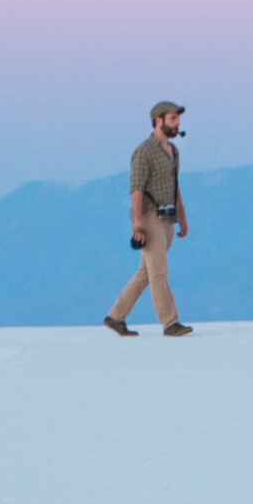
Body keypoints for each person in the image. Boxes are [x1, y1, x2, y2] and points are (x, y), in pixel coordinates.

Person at [104, 101, 192, 337]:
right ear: (158, 120)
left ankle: (115, 317)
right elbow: (137, 189)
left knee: (146, 273)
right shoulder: (144, 152)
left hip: (167, 218)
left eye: (177, 119)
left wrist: (182, 218)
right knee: (159, 273)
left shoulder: (173, 151)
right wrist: (139, 223)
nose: (177, 123)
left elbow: (176, 186)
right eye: (173, 119)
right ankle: (170, 322)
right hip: (150, 217)